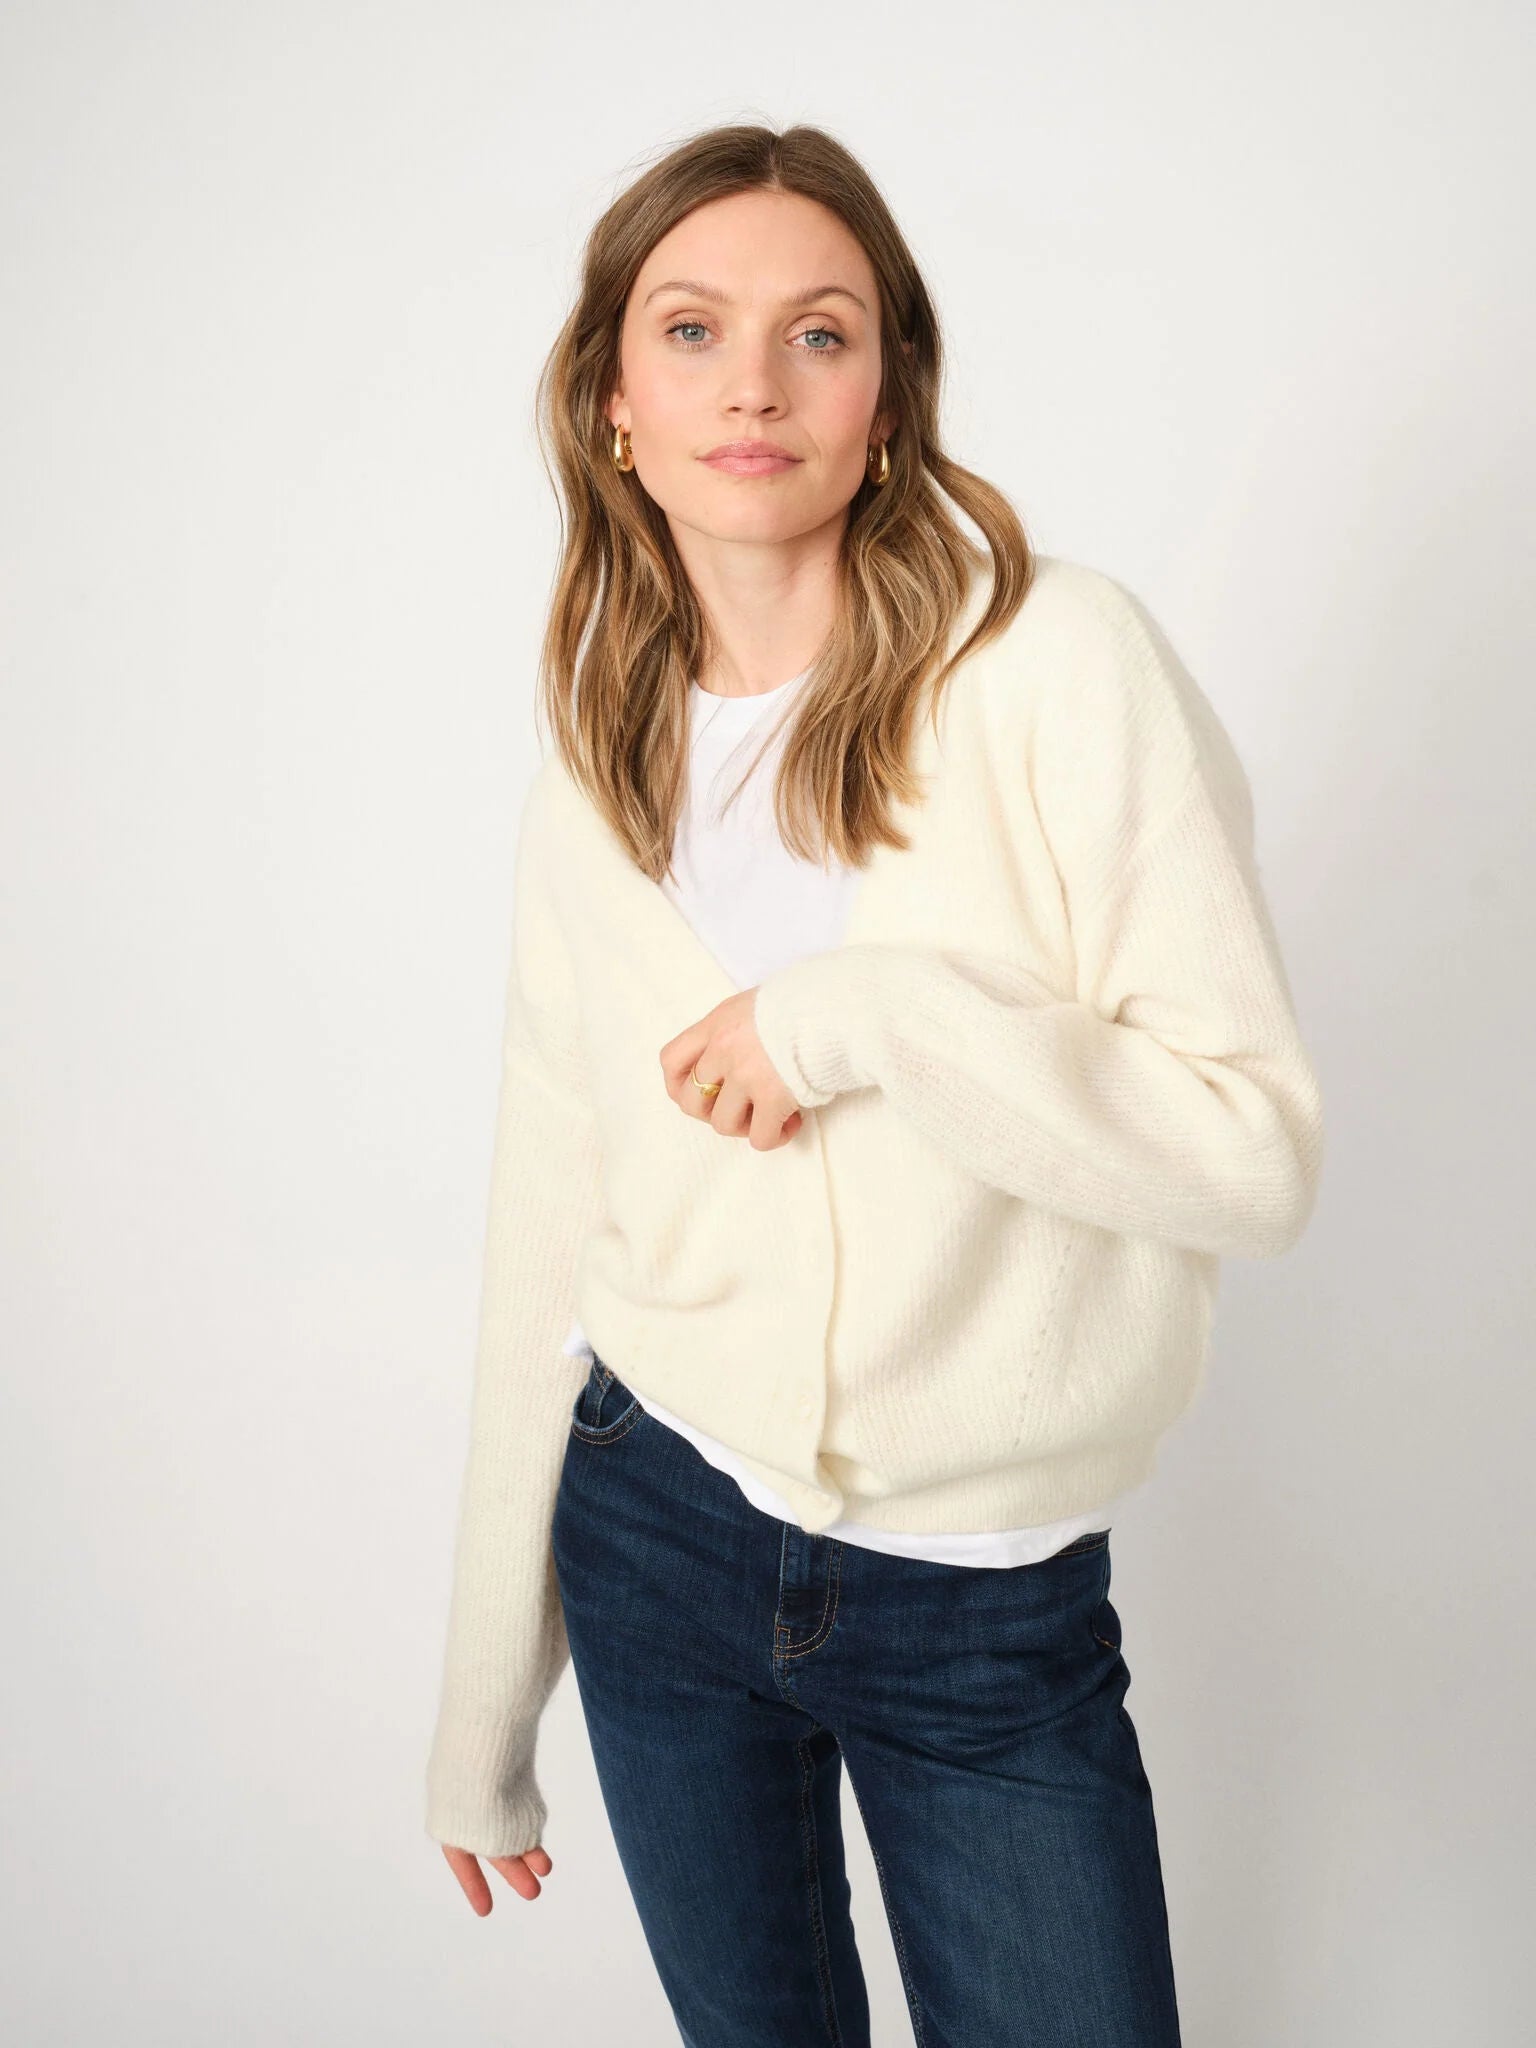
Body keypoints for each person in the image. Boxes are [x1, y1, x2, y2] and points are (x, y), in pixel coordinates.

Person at [423, 121, 1324, 2047]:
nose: (753, 383)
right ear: (612, 402)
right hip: (654, 1536)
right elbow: (550, 1222)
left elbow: (1252, 1158)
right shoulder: (595, 765)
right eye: (692, 330)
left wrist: (868, 1018)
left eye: (817, 333)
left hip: (981, 1605)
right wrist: (486, 1697)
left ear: (889, 395)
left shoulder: (1058, 665)